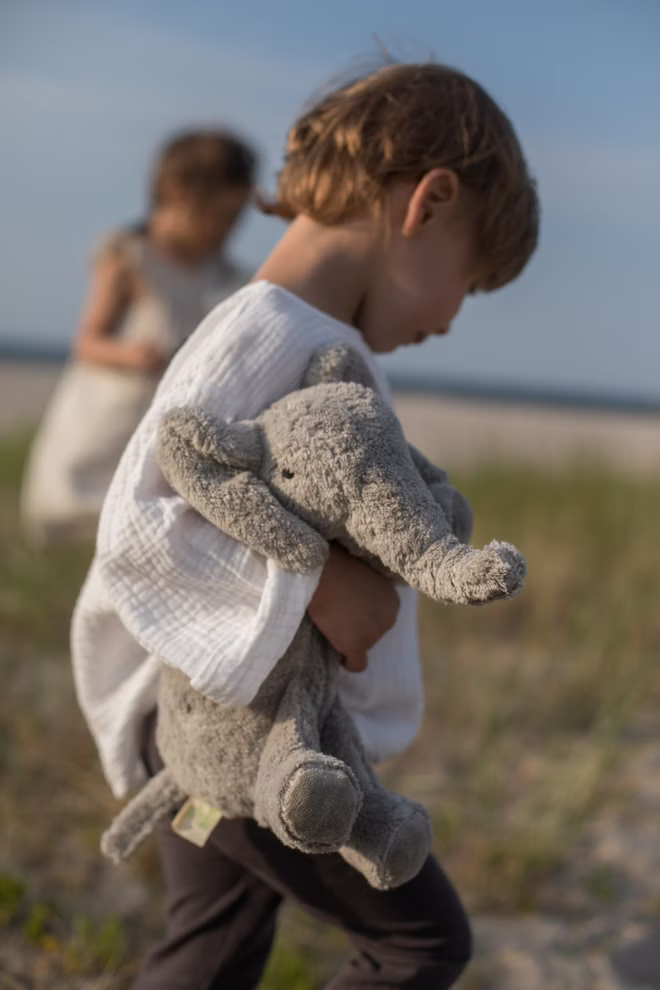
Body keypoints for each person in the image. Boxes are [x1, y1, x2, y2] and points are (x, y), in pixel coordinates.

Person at [71, 61, 539, 989]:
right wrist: (326, 586)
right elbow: (142, 520)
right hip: (248, 734)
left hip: (233, 719)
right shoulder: (263, 326)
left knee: (211, 950)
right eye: (469, 280)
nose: (450, 319)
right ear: (429, 203)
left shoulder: (306, 334)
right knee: (420, 943)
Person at [21, 130, 256, 544]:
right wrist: (132, 355)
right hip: (108, 412)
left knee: (142, 508)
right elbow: (88, 340)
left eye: (235, 218)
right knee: (79, 510)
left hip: (162, 417)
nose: (224, 230)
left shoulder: (222, 275)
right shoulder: (131, 256)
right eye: (217, 215)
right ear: (175, 191)